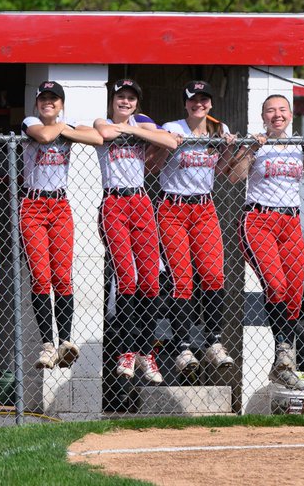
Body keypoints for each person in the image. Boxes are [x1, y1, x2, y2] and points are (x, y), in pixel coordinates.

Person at [230, 94, 304, 388]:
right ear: (263, 116)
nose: (277, 115)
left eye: (282, 110)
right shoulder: (257, 143)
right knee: (276, 285)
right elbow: (234, 177)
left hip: (290, 223)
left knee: (295, 291)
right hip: (259, 220)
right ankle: (284, 350)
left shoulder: (299, 146)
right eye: (271, 110)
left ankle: (283, 359)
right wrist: (251, 149)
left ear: (290, 114)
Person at [93, 79, 178, 384]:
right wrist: (135, 130)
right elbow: (105, 133)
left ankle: (146, 352)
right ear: (112, 100)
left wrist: (136, 129)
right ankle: (126, 351)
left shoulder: (140, 122)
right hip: (114, 202)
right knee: (127, 279)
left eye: (131, 98)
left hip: (140, 201)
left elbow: (170, 141)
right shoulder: (102, 121)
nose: (125, 102)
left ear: (136, 103)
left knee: (151, 281)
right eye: (121, 97)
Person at [151, 80, 237, 375]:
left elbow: (222, 170)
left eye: (204, 100)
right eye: (193, 100)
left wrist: (228, 148)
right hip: (173, 206)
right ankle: (182, 347)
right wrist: (169, 143)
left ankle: (214, 341)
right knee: (182, 279)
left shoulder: (218, 128)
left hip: (204, 206)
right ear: (185, 104)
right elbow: (154, 166)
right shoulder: (172, 127)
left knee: (213, 274)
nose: (199, 104)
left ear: (210, 103)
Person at [21, 81, 103, 370]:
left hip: (59, 205)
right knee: (41, 276)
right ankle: (47, 345)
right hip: (32, 205)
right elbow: (43, 135)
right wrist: (66, 129)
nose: (48, 102)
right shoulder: (29, 121)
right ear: (37, 103)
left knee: (62, 277)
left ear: (61, 103)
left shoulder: (67, 125)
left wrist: (66, 129)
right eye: (43, 98)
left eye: (54, 99)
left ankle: (65, 343)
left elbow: (97, 137)